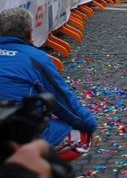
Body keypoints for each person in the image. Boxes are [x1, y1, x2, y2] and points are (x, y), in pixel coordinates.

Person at [0, 8, 97, 158]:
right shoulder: (36, 58)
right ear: (30, 33)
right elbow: (63, 101)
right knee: (84, 138)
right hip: (17, 134)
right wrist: (89, 125)